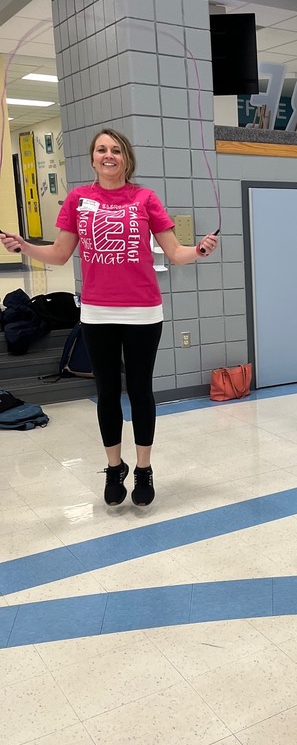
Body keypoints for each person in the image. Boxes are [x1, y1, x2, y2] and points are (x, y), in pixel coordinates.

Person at [0, 128, 220, 507]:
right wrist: (25, 246)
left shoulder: (145, 198)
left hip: (143, 311)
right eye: (101, 149)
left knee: (140, 391)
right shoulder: (78, 199)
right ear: (92, 158)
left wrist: (199, 249)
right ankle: (114, 467)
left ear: (126, 158)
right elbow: (59, 254)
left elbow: (174, 251)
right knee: (105, 393)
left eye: (116, 150)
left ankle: (145, 469)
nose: (108, 155)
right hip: (98, 312)